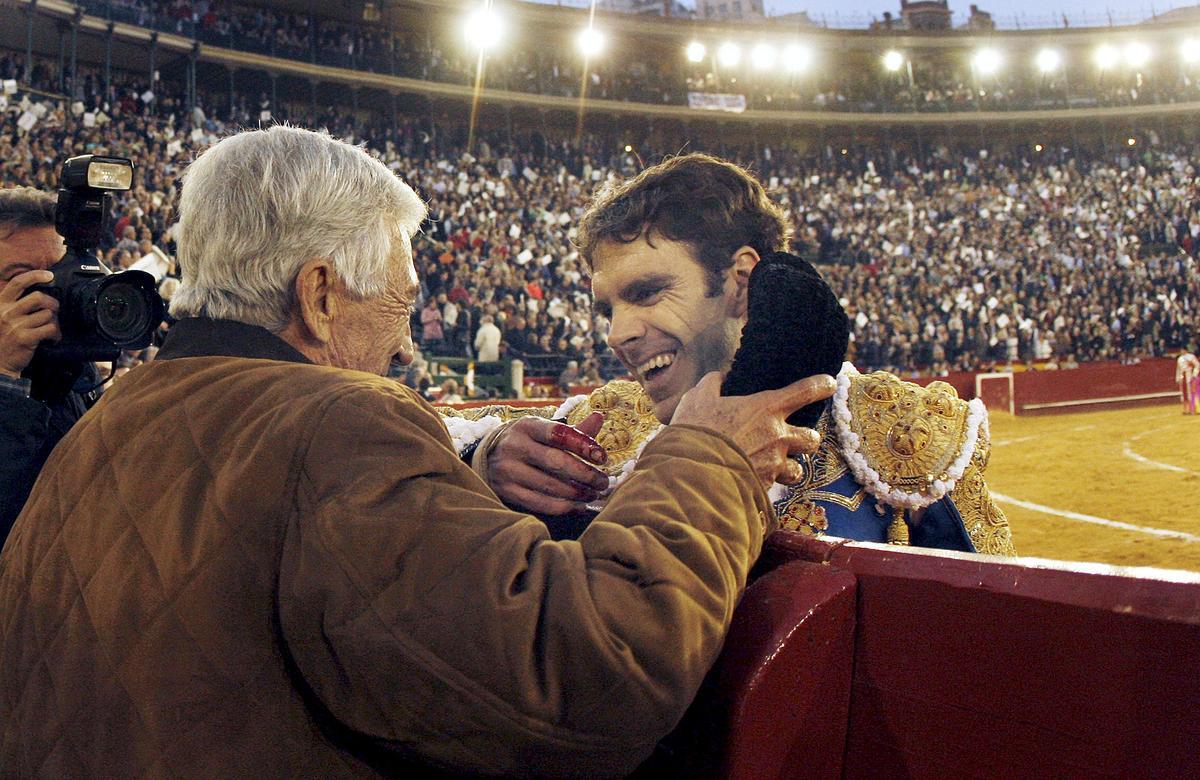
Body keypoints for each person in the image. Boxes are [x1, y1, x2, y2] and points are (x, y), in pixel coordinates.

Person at [0, 127, 834, 776]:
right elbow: (592, 673)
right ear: (320, 295)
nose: (404, 349)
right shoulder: (333, 424)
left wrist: (465, 475)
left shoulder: (108, 422)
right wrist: (707, 457)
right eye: (399, 302)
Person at [455, 153, 1014, 555]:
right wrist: (487, 459)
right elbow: (422, 439)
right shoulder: (603, 429)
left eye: (647, 292)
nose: (617, 334)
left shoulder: (902, 437)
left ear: (740, 280)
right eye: (607, 310)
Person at [0, 187, 99, 545]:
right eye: (20, 277)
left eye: (57, 274)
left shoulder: (68, 363)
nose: (48, 293)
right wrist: (5, 378)